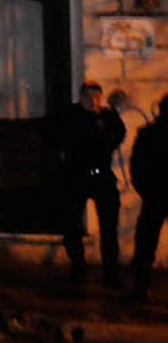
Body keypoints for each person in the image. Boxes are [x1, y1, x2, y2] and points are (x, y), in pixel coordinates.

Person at [53, 80, 127, 286]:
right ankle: (78, 265)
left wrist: (111, 113)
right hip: (76, 176)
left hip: (101, 176)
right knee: (72, 223)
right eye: (88, 96)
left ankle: (110, 273)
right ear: (81, 97)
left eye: (96, 96)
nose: (92, 100)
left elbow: (119, 135)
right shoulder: (72, 116)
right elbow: (61, 137)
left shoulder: (105, 116)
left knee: (109, 228)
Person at [129, 93, 168, 302]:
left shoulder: (148, 133)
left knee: (145, 245)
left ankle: (140, 288)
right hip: (155, 195)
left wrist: (146, 190)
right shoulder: (149, 134)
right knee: (145, 244)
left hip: (155, 196)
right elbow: (137, 167)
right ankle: (140, 287)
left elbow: (137, 167)